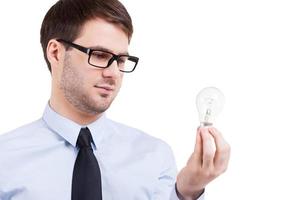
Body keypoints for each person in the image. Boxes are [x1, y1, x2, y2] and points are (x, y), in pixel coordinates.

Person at [0, 0, 230, 199]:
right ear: (56, 53)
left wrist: (187, 192)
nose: (114, 73)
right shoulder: (5, 158)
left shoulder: (154, 156)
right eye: (99, 55)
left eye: (121, 60)